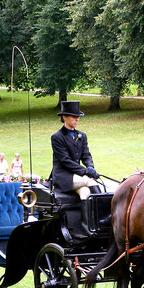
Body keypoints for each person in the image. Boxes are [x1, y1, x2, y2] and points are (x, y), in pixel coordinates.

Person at [51, 100, 99, 237]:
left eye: (78, 116)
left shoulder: (81, 136)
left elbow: (86, 155)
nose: (77, 119)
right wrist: (86, 172)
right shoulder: (57, 137)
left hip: (77, 176)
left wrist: (90, 167)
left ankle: (87, 227)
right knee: (90, 182)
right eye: (74, 116)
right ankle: (104, 216)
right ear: (64, 117)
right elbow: (65, 161)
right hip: (63, 176)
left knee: (84, 192)